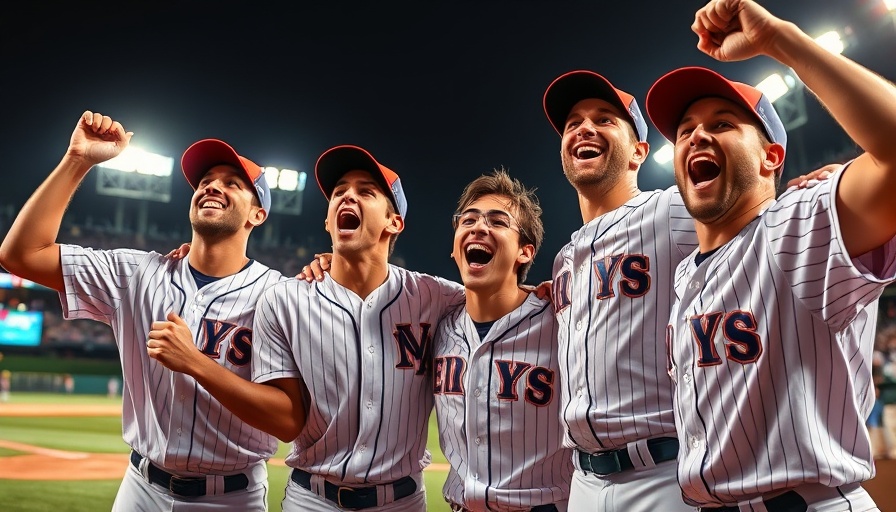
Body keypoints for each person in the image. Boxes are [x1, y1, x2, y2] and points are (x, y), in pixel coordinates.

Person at [643, 0, 896, 509]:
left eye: (722, 124)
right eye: (686, 129)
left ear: (771, 157)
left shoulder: (798, 226)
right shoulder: (686, 277)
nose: (697, 136)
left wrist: (781, 40)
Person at [151, 144, 465, 511]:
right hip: (312, 498)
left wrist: (536, 293)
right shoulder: (285, 300)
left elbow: (498, 301)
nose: (347, 196)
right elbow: (285, 417)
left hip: (402, 500)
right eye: (338, 193)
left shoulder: (438, 297)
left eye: (366, 191)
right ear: (328, 221)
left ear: (394, 222)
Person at [0, 111, 287, 511]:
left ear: (258, 215)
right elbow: (20, 255)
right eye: (205, 182)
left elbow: (288, 420)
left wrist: (195, 362)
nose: (212, 188)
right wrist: (78, 160)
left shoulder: (281, 296)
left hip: (232, 498)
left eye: (232, 184)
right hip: (140, 489)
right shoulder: (135, 273)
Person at [541, 70, 698, 511]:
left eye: (605, 119)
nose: (584, 127)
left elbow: (750, 214)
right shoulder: (563, 258)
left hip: (664, 474)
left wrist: (808, 185)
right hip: (584, 481)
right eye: (573, 122)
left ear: (639, 152)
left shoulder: (670, 210)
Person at [433, 169, 573, 512]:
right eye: (468, 220)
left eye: (497, 221)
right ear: (454, 247)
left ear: (525, 252)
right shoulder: (435, 322)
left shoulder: (563, 320)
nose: (479, 227)